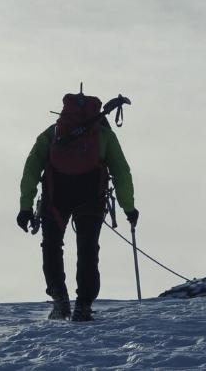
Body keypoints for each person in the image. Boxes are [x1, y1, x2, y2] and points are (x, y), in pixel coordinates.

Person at [17, 92, 137, 321]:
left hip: (55, 195)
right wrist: (129, 208)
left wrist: (25, 207)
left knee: (52, 245)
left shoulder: (52, 133)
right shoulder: (103, 136)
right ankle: (83, 305)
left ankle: (59, 299)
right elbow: (122, 172)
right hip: (91, 197)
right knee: (88, 248)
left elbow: (31, 168)